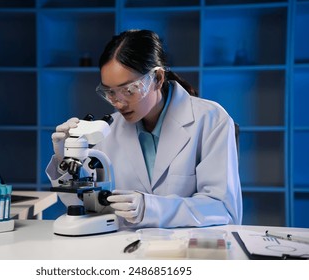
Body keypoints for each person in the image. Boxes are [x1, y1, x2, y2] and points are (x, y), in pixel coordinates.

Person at [46, 29, 242, 228]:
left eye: (128, 90)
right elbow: (81, 206)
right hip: (127, 250)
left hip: (186, 251)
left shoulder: (211, 120)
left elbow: (223, 209)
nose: (118, 103)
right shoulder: (108, 131)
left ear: (157, 78)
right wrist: (65, 160)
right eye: (110, 92)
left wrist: (150, 208)